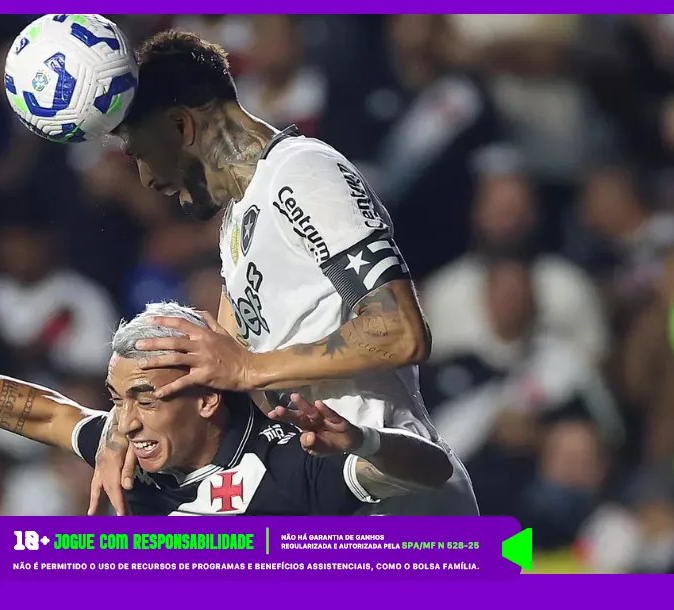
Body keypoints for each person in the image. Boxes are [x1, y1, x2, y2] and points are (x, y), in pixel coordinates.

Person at [91, 30, 477, 517]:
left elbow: (400, 330)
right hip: (328, 499)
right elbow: (217, 368)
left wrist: (252, 368)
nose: (146, 179)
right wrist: (117, 432)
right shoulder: (237, 221)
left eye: (141, 153)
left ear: (180, 124)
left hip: (400, 497)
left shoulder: (303, 173)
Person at [0, 303, 452, 516]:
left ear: (207, 397)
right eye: (117, 400)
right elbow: (45, 413)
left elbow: (434, 469)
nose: (126, 422)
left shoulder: (293, 458)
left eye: (145, 398)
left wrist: (364, 441)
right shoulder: (130, 457)